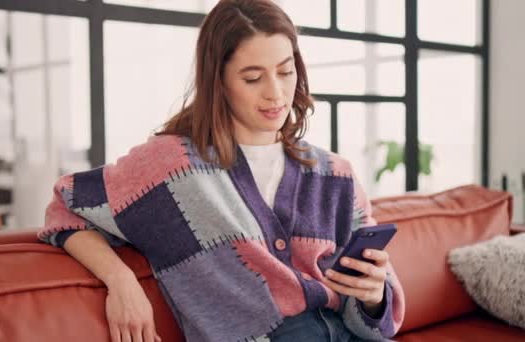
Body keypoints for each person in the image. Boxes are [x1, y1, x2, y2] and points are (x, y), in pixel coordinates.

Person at [37, 1, 405, 341]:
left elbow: (379, 321)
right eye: (252, 78)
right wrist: (120, 279)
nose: (275, 93)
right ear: (220, 82)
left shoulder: (335, 174)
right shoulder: (173, 168)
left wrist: (373, 295)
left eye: (285, 71)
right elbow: (66, 210)